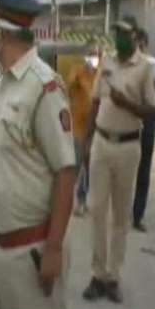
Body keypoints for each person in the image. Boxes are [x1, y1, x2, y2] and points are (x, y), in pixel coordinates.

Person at [0, 0, 77, 309]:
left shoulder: (43, 87)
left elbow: (66, 171)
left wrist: (54, 248)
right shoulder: (2, 82)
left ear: (2, 32)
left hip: (25, 254)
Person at [81, 18, 155, 303]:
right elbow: (95, 102)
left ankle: (113, 277)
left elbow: (152, 112)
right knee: (97, 210)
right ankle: (97, 274)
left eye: (124, 34)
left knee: (121, 215)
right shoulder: (107, 63)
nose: (119, 38)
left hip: (128, 147)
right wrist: (86, 139)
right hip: (102, 143)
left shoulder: (147, 67)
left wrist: (126, 102)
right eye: (116, 33)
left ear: (135, 36)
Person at [133, 28, 155, 232]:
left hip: (148, 121)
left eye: (138, 44)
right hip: (128, 120)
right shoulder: (126, 66)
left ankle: (137, 214)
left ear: (145, 45)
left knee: (144, 169)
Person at [67, 40, 102, 216]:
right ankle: (71, 200)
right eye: (90, 53)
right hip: (79, 128)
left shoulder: (102, 74)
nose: (93, 57)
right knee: (77, 165)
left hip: (97, 128)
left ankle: (87, 200)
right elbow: (70, 89)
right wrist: (78, 78)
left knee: (91, 166)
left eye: (95, 54)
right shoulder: (77, 70)